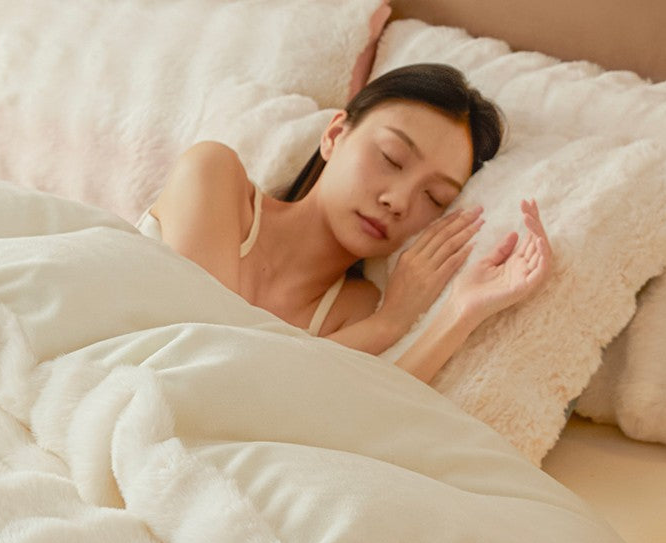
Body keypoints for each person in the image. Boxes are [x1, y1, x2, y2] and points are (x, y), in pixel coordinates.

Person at [136, 64, 553, 385]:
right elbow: (203, 357)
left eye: (434, 198)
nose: (398, 201)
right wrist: (382, 326)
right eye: (391, 158)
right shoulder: (216, 176)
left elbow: (355, 423)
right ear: (335, 135)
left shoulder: (354, 311)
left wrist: (457, 312)